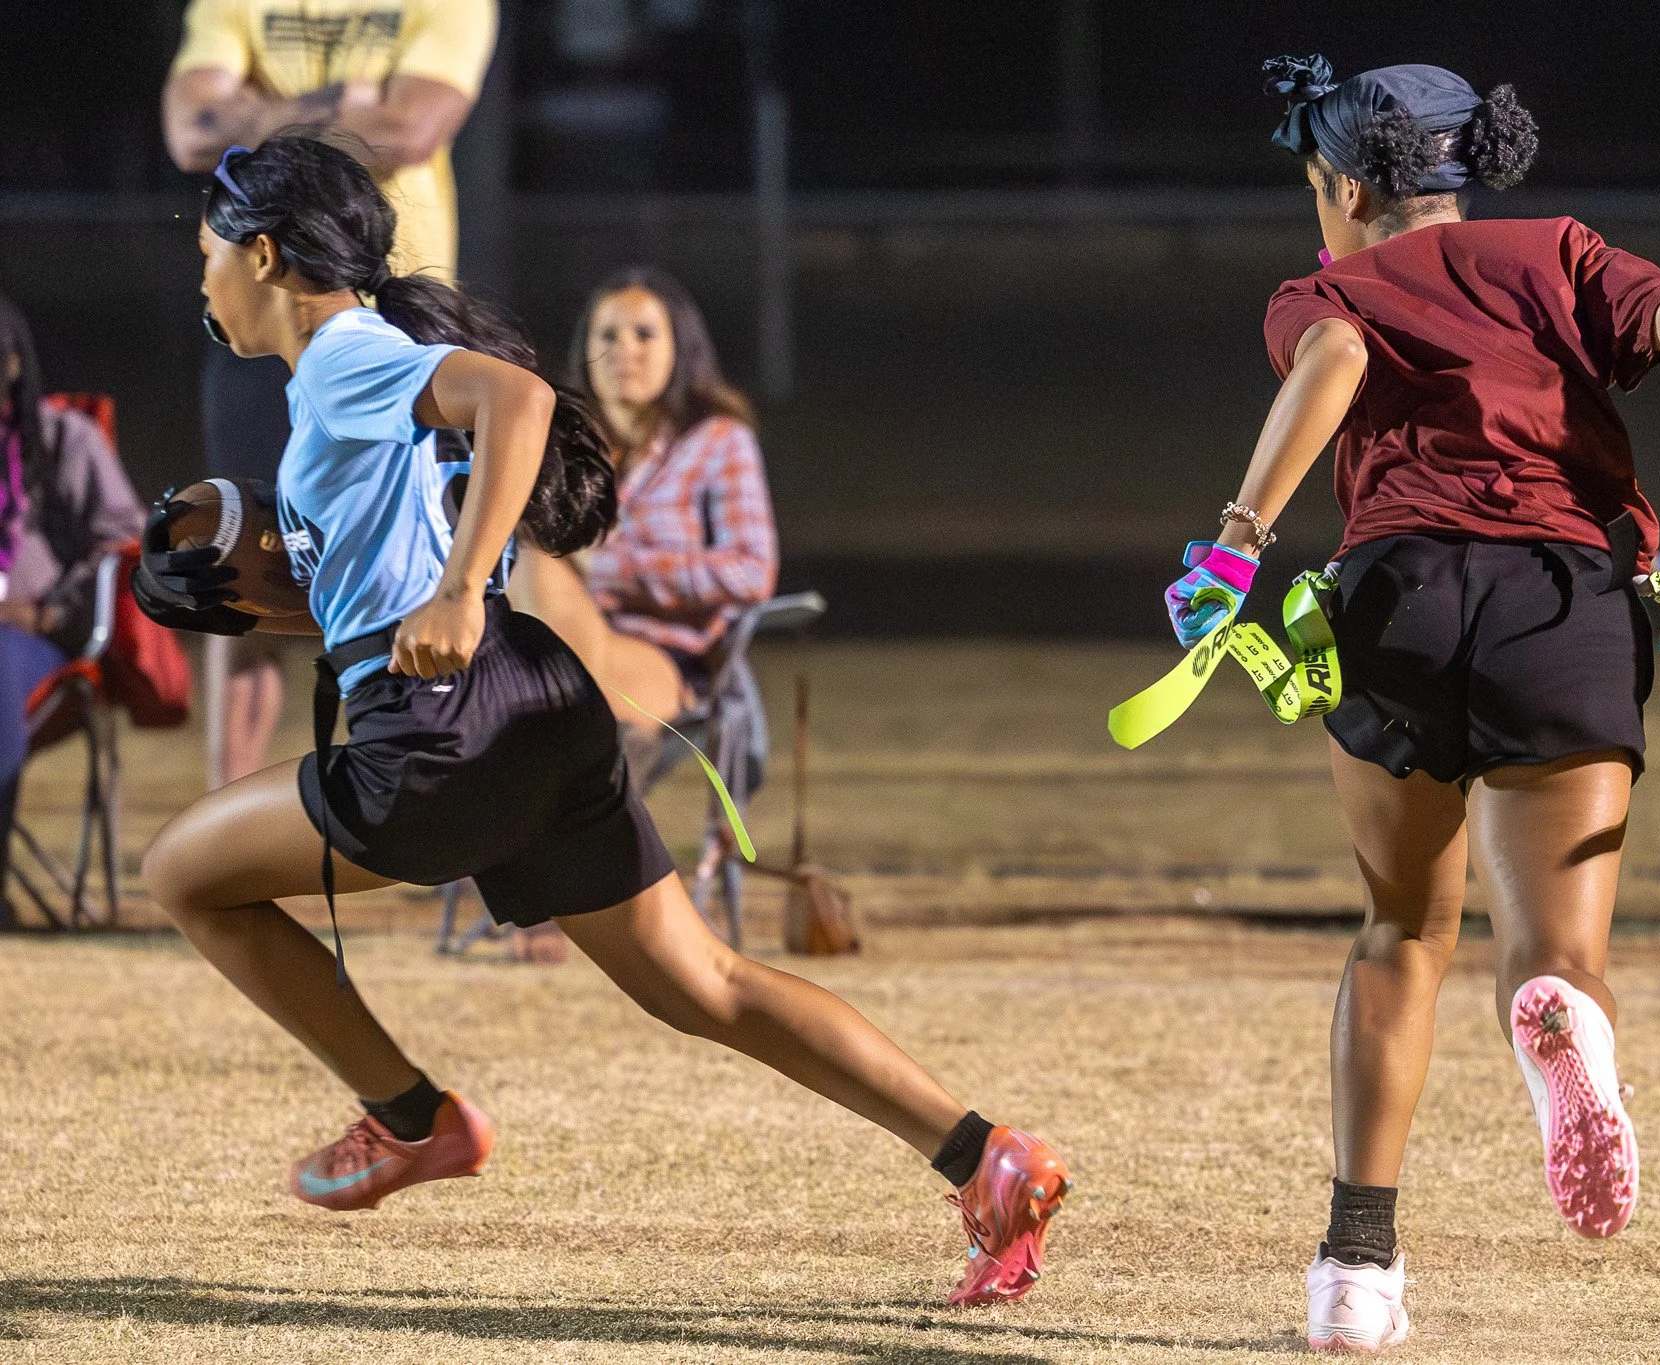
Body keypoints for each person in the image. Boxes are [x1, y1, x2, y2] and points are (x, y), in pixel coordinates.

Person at [133, 136, 1069, 1310]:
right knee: (704, 986)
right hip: (531, 700)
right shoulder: (348, 371)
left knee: (180, 871)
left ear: (263, 254)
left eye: (208, 250)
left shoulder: (338, 357)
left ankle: (410, 1117)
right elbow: (390, 580)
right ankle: (984, 1156)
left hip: (437, 735)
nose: (202, 276)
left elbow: (514, 397)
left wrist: (458, 587)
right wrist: (295, 602)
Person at [1172, 57, 1660, 1352]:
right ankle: (1564, 1023)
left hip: (1399, 602)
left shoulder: (1326, 288)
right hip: (1563, 601)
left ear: (1344, 183)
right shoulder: (1555, 250)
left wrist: (1234, 540)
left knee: (1400, 933)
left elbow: (1329, 357)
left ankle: (1356, 1273)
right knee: (1554, 952)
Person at [162, 0, 496, 786]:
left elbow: (413, 130)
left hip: (395, 324)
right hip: (264, 318)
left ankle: (453, 788)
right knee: (241, 559)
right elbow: (189, 132)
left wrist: (257, 120)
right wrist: (343, 107)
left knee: (427, 562)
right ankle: (231, 812)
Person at [507, 267, 776, 777]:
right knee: (529, 557)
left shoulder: (718, 442)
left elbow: (752, 571)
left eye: (644, 334)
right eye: (606, 334)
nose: (623, 350)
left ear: (681, 347)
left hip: (666, 657)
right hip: (565, 646)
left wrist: (617, 569)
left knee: (547, 706)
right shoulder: (569, 448)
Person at [0, 297, 147, 920]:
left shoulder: (64, 438)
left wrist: (52, 611)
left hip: (32, 635)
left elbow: (123, 536)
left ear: (10, 363)